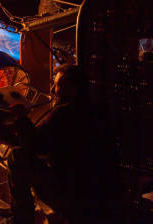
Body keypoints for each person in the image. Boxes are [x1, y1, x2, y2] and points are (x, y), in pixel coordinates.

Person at [7, 64, 99, 223]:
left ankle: (22, 218)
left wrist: (21, 118)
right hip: (94, 189)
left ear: (72, 88)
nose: (52, 89)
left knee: (17, 156)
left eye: (57, 85)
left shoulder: (64, 113)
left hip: (70, 190)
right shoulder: (93, 110)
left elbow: (36, 145)